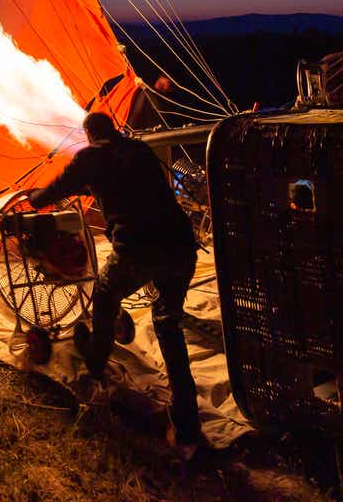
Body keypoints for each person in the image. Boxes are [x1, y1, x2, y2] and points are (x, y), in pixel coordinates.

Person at [28, 111, 206, 453]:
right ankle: (186, 420)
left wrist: (35, 197)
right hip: (181, 247)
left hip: (137, 250)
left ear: (89, 134)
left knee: (106, 297)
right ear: (113, 129)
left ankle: (96, 364)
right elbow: (123, 181)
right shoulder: (138, 150)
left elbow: (54, 191)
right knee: (169, 325)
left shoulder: (90, 157)